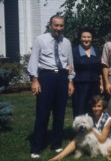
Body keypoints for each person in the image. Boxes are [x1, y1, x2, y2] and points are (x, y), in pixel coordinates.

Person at [27, 15, 75, 158]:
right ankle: (36, 147)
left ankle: (56, 144)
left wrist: (70, 81)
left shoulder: (66, 42)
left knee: (59, 114)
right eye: (56, 25)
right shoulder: (40, 40)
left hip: (62, 77)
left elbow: (70, 64)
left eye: (61, 26)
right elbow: (34, 61)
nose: (59, 28)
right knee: (43, 114)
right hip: (46, 77)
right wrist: (35, 80)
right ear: (50, 26)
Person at [48, 95, 111, 161]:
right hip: (90, 138)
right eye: (94, 106)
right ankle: (59, 156)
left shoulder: (108, 119)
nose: (96, 108)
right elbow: (80, 128)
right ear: (91, 107)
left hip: (106, 140)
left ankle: (100, 151)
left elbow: (102, 139)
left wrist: (91, 130)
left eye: (99, 106)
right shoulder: (88, 116)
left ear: (103, 107)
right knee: (76, 139)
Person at [72, 27, 104, 118]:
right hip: (80, 85)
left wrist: (101, 84)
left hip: (95, 85)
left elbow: (100, 69)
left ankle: (94, 130)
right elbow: (70, 69)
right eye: (84, 37)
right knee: (80, 109)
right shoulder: (74, 52)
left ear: (92, 38)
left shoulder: (97, 51)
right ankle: (80, 131)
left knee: (94, 108)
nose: (86, 39)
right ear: (80, 38)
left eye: (89, 37)